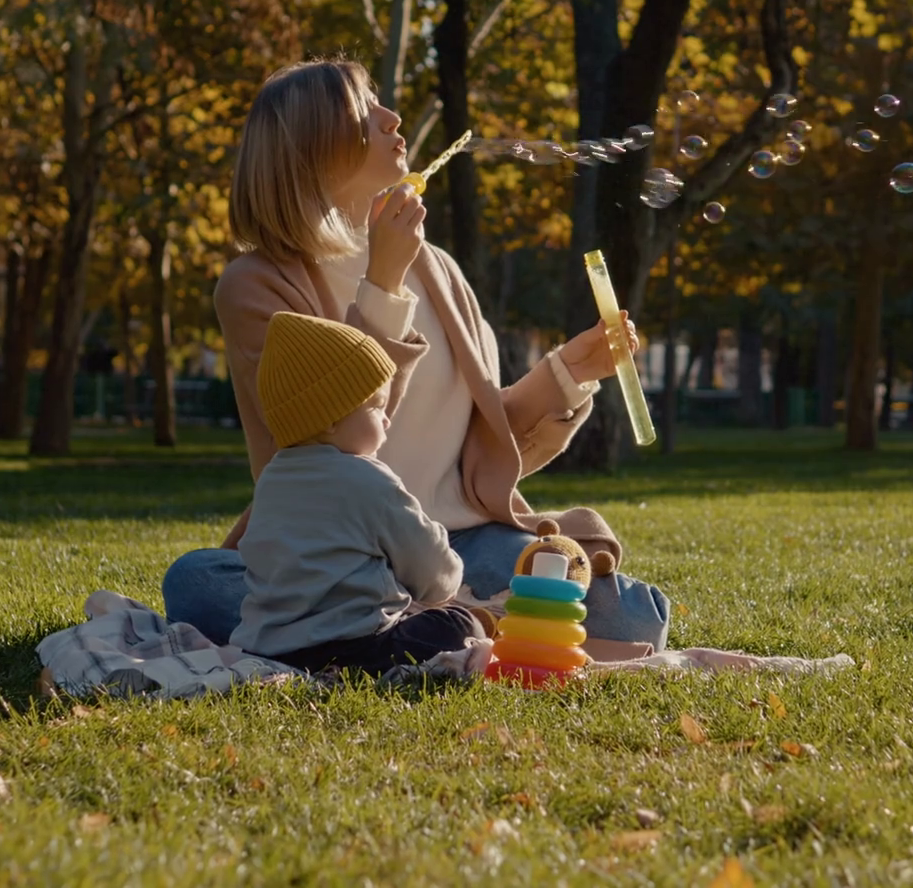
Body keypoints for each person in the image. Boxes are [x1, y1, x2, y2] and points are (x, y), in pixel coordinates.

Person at [162, 59, 671, 653]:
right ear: (310, 145)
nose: (392, 118)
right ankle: (459, 622)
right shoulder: (256, 285)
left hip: (458, 546)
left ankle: (423, 623)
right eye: (364, 109)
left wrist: (569, 372)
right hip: (332, 555)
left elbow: (482, 445)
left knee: (636, 618)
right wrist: (382, 282)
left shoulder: (437, 269)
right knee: (196, 582)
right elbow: (332, 435)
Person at [230, 310, 483, 673]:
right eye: (376, 407)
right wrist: (448, 582)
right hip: (355, 647)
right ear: (331, 418)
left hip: (270, 649)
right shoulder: (368, 480)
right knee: (459, 625)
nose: (387, 419)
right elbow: (432, 570)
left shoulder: (271, 480)